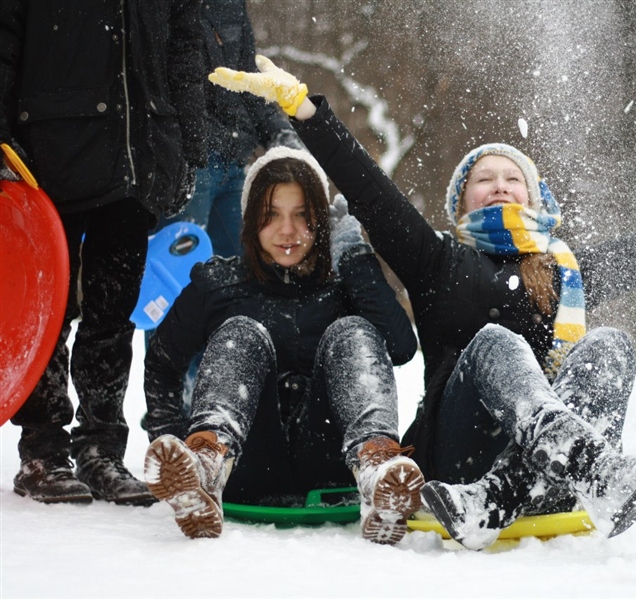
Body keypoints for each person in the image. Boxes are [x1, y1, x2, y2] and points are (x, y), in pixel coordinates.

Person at [208, 57, 636, 549]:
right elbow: (368, 189)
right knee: (496, 342)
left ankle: (521, 491)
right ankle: (585, 468)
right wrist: (308, 113)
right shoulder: (436, 259)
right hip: (457, 448)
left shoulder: (564, 271)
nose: (499, 186)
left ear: (535, 198)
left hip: (533, 480)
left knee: (609, 345)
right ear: (460, 202)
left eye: (512, 178)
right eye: (482, 179)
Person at [141, 146, 422, 544]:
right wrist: (169, 437)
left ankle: (377, 471)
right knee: (242, 332)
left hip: (332, 461)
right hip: (245, 462)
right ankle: (203, 466)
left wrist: (354, 254)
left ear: (320, 221)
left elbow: (401, 346)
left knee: (353, 331)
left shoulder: (344, 284)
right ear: (250, 220)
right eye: (271, 216)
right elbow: (162, 364)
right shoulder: (219, 283)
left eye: (302, 216)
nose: (287, 232)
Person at [0, 0, 207, 505]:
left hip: (138, 151)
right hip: (48, 150)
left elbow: (185, 45)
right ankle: (43, 452)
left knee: (114, 312)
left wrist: (190, 142)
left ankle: (101, 448)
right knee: (50, 312)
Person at [154, 0, 303, 259]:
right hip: (187, 162)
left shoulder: (232, 5)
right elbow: (166, 86)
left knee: (246, 266)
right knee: (180, 270)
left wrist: (280, 134)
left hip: (235, 162)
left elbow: (249, 80)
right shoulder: (164, 8)